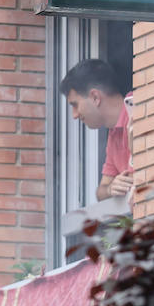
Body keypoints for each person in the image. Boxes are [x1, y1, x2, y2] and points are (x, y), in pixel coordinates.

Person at [60, 58, 133, 201]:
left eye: (75, 105)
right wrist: (111, 188)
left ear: (95, 97)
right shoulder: (113, 133)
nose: (74, 115)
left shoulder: (137, 107)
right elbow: (101, 192)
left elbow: (142, 179)